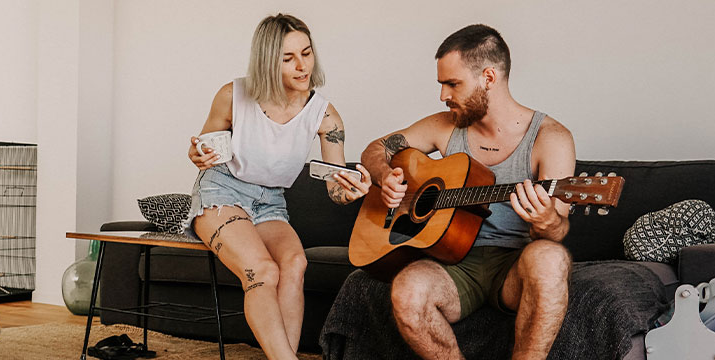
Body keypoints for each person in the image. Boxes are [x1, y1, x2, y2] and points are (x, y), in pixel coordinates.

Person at [359, 24, 576, 359]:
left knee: (551, 257)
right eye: (442, 84)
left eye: (453, 83)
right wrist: (385, 175)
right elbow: (378, 147)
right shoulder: (445, 126)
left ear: (488, 77)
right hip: (452, 262)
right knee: (407, 289)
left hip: (514, 267)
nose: (443, 95)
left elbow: (558, 230)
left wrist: (547, 221)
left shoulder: (551, 138)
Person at [184, 13, 372, 360]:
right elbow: (201, 147)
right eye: (288, 58)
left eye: (306, 52)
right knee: (263, 271)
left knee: (295, 263)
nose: (302, 66)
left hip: (271, 201)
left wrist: (348, 191)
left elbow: (334, 188)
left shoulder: (325, 116)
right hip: (222, 191)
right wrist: (197, 154)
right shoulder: (233, 95)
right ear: (268, 61)